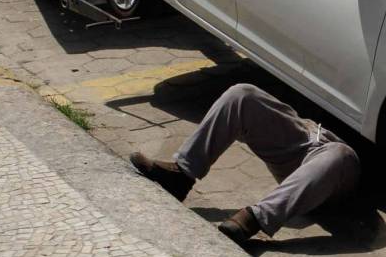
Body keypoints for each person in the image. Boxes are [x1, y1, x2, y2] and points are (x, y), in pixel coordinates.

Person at [130, 84, 361, 243]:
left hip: (340, 166)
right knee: (241, 94)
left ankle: (256, 218)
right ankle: (181, 175)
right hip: (307, 131)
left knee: (339, 153)